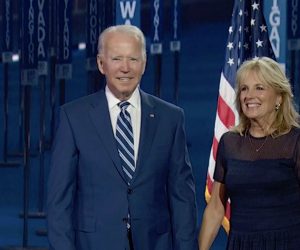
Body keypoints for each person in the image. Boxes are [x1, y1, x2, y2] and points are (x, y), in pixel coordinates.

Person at [47, 24, 198, 250]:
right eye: (116, 59)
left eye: (133, 59)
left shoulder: (171, 118)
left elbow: (182, 198)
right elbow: (59, 201)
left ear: (144, 64)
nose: (125, 68)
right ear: (101, 64)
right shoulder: (73, 117)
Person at [198, 57, 300, 249]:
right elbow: (216, 208)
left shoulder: (295, 141)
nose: (249, 95)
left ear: (279, 97)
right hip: (242, 244)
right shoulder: (230, 142)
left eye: (259, 88)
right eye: (244, 88)